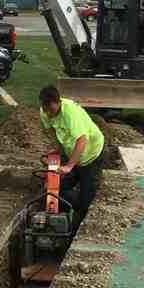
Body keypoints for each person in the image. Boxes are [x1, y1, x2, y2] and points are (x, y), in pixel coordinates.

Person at [39, 85, 104, 231]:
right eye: (45, 109)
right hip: (72, 154)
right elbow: (53, 132)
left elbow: (82, 140)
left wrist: (69, 166)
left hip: (91, 155)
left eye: (51, 110)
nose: (48, 113)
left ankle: (76, 223)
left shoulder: (71, 114)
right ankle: (63, 216)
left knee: (86, 202)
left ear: (58, 102)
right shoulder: (45, 112)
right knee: (53, 191)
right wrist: (57, 151)